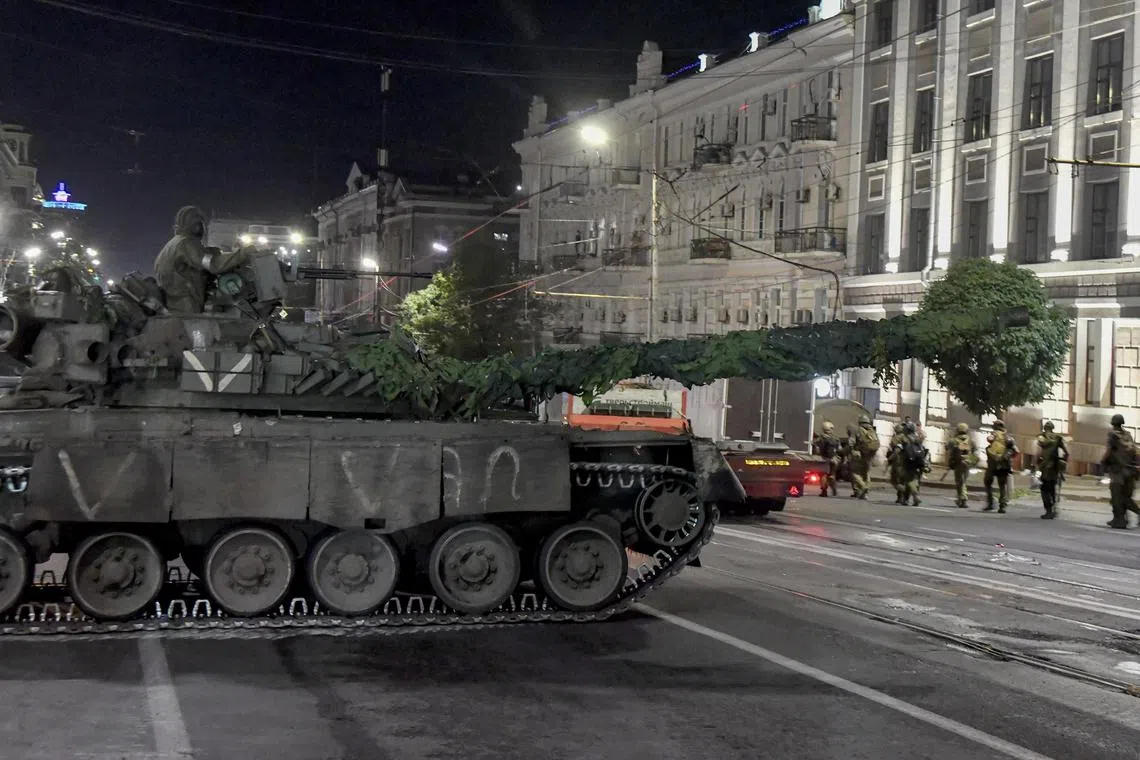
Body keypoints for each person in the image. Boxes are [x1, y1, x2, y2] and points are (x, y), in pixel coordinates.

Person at [154, 206, 250, 312]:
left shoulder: (174, 244)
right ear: (195, 226)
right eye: (199, 224)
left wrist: (212, 251)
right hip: (185, 308)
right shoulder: (185, 244)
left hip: (176, 305)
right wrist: (243, 254)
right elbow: (213, 264)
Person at [1101, 413, 1139, 529]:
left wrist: (1103, 461)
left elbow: (1109, 451)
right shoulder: (1128, 435)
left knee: (1117, 497)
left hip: (1118, 472)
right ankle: (1120, 518)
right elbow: (1135, 452)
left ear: (1113, 423)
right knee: (1126, 498)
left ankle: (1120, 520)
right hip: (1130, 471)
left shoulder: (1113, 435)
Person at [1035, 421, 1068, 520]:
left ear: (1044, 428)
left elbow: (1039, 451)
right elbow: (1066, 453)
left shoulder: (1041, 437)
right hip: (1055, 467)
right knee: (1052, 489)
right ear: (1053, 428)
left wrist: (1035, 464)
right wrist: (1063, 464)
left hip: (1045, 467)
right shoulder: (1058, 438)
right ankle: (1053, 510)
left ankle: (1048, 511)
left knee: (1044, 489)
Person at [983, 419, 1017, 513]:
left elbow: (989, 439)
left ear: (997, 426)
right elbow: (1015, 451)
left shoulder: (994, 434)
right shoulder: (1009, 437)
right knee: (1002, 485)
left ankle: (990, 503)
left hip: (993, 464)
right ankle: (1002, 505)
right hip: (1004, 464)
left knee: (987, 482)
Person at [894, 420, 928, 506]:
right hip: (919, 461)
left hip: (908, 461)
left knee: (908, 481)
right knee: (913, 480)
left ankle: (915, 496)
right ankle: (906, 499)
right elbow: (924, 449)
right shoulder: (917, 437)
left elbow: (898, 449)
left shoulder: (904, 438)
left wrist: (892, 458)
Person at [945, 422, 976, 509]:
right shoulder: (970, 440)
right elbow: (975, 449)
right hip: (967, 463)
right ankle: (961, 499)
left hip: (958, 463)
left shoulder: (954, 440)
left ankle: (963, 498)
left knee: (959, 482)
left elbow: (946, 447)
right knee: (963, 481)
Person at [850, 414, 880, 500]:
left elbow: (851, 442)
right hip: (869, 455)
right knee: (866, 473)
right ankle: (865, 493)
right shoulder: (872, 430)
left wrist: (852, 450)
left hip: (859, 454)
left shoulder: (857, 430)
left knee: (855, 473)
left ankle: (863, 486)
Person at [812, 421, 841, 497]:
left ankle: (824, 491)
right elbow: (839, 449)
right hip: (834, 459)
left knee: (823, 475)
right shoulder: (836, 439)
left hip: (824, 459)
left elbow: (816, 449)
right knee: (832, 475)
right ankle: (834, 488)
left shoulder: (820, 439)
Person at [886, 423, 905, 498]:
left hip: (897, 461)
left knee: (894, 480)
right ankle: (900, 497)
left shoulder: (897, 437)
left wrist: (890, 458)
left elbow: (896, 450)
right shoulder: (905, 437)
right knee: (900, 480)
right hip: (903, 461)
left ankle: (906, 491)